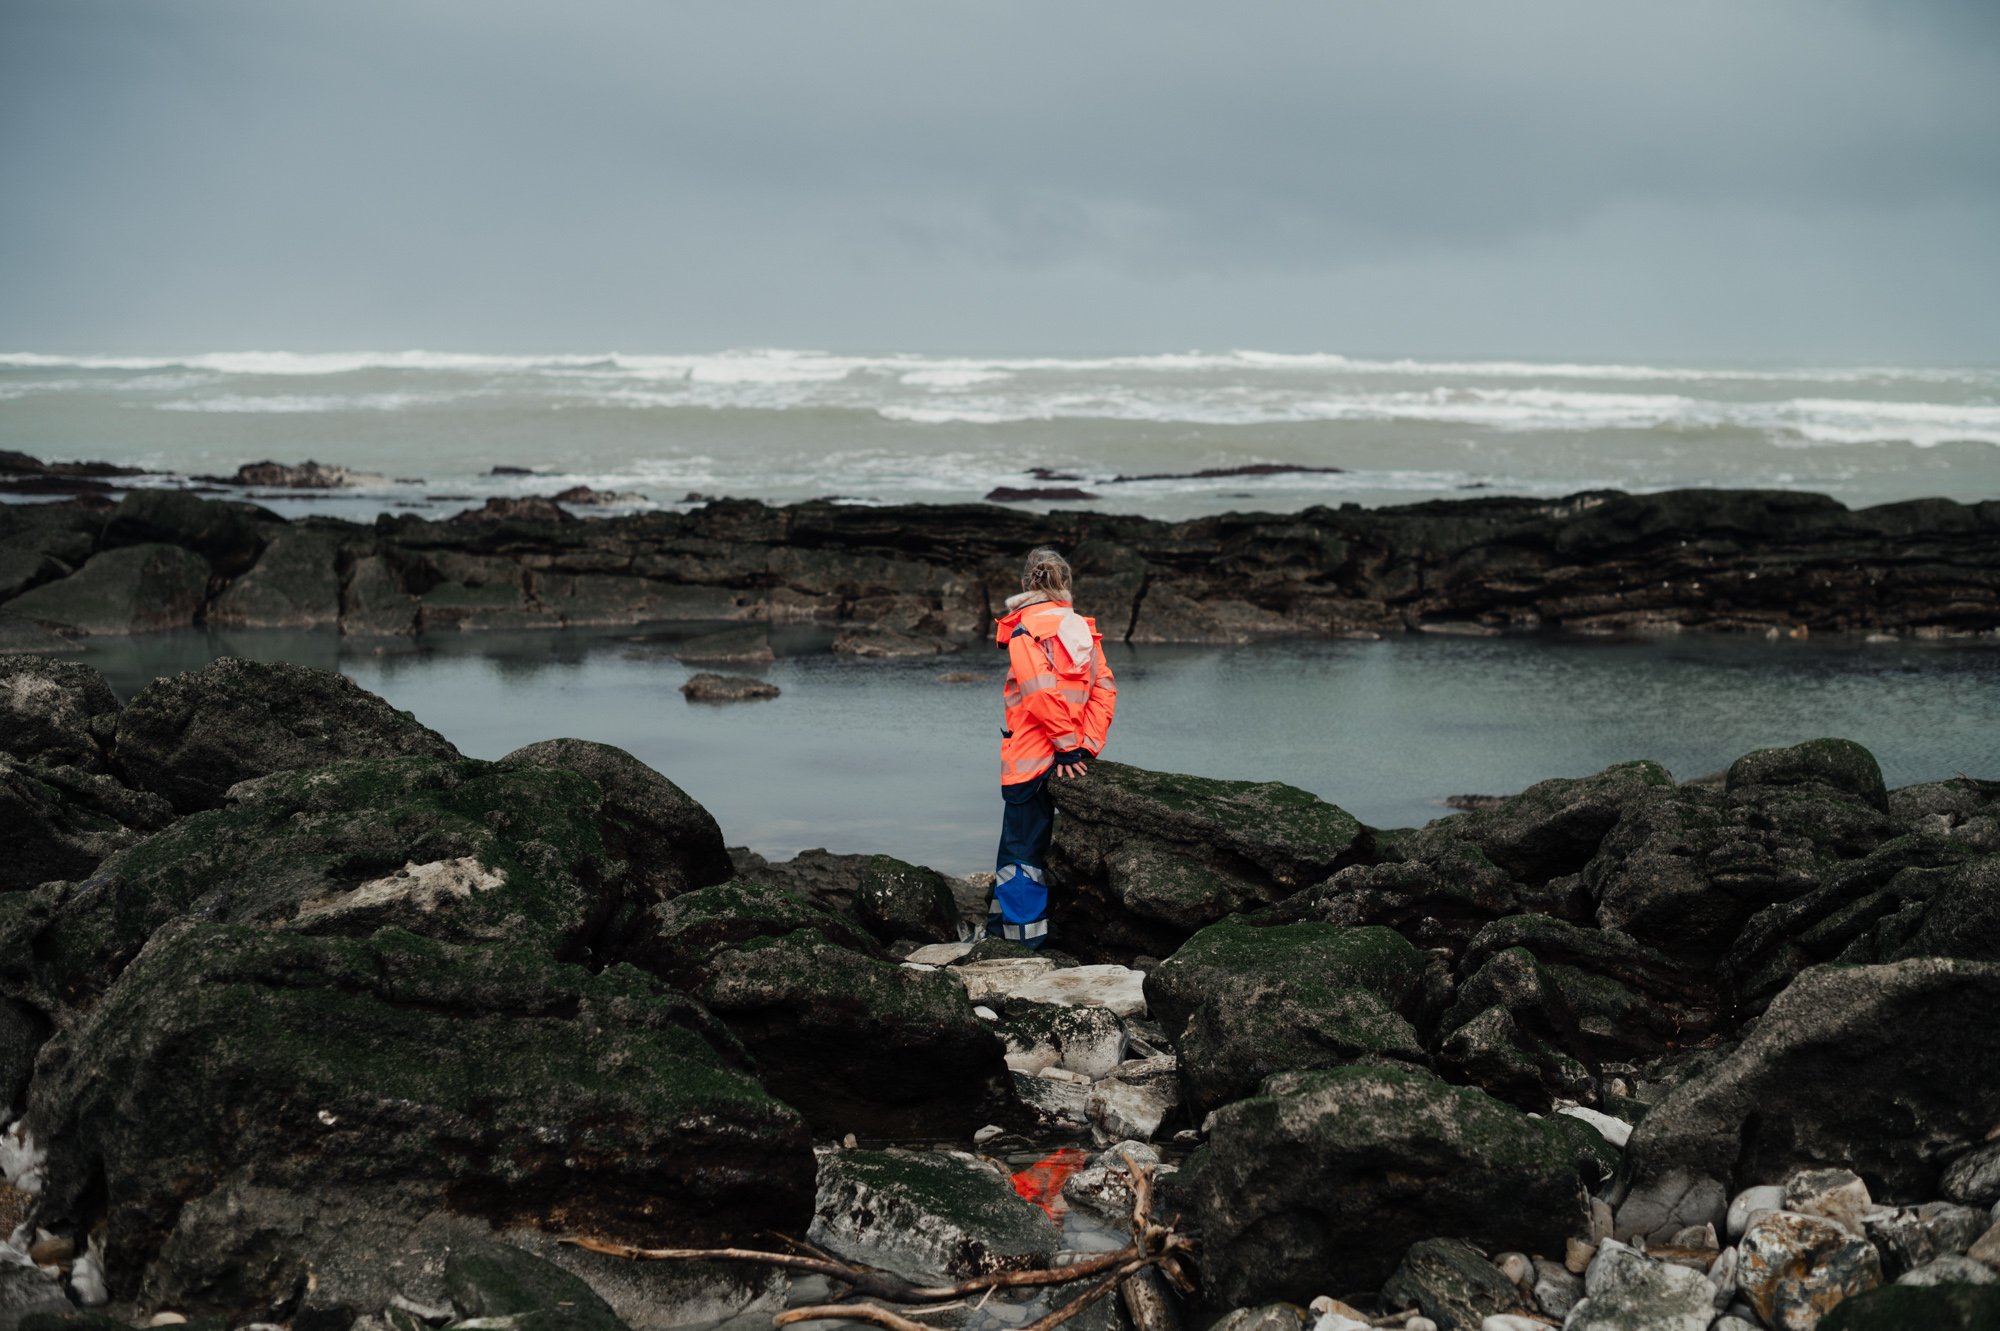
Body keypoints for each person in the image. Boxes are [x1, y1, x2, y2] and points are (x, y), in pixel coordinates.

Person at [988, 546, 1117, 947]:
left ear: (1028, 584)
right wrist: (1085, 747)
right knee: (1030, 850)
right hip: (1069, 758)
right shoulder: (1082, 628)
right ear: (1066, 584)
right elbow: (1104, 690)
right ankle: (998, 930)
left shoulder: (1025, 630)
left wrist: (1064, 747)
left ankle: (1021, 944)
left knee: (1019, 853)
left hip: (1032, 760)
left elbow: (1039, 692)